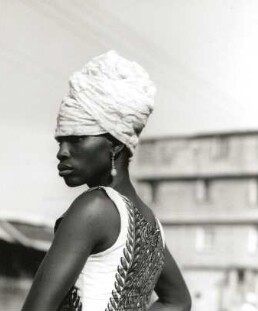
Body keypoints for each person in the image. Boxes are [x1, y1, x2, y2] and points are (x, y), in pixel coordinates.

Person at [22, 50, 191, 311]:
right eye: (60, 140)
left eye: (76, 138)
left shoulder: (93, 208)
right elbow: (178, 302)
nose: (62, 151)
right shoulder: (150, 223)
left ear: (114, 145)